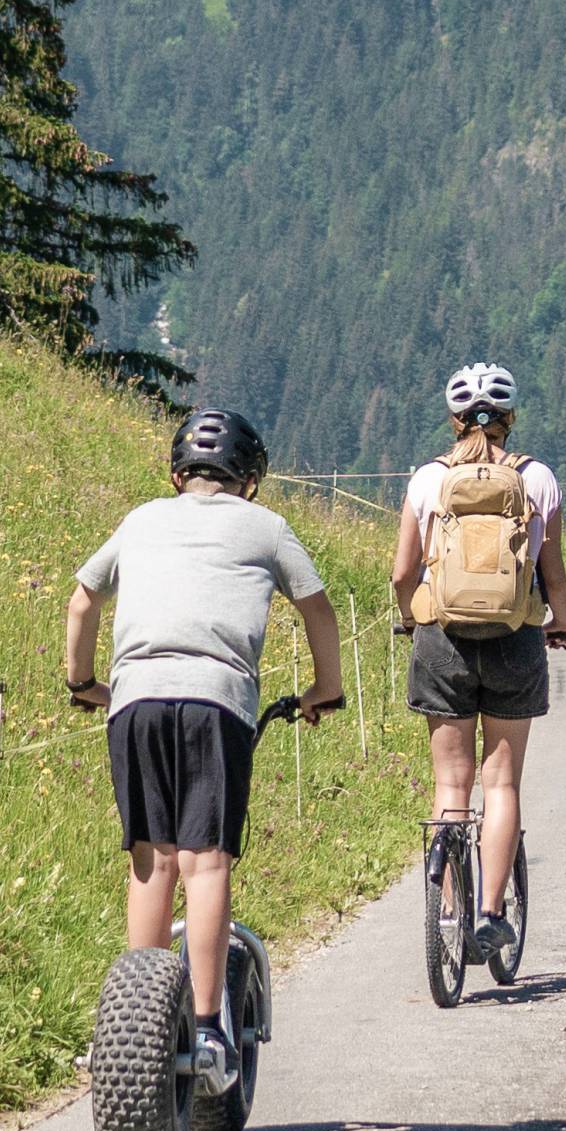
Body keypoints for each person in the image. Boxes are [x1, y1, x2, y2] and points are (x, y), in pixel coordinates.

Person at [63, 405, 342, 1085]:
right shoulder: (267, 528)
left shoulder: (139, 519)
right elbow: (318, 608)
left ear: (175, 472)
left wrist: (83, 682)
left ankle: (139, 1030)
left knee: (151, 858)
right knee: (205, 862)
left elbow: (81, 601)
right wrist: (323, 689)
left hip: (134, 699)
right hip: (216, 697)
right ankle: (211, 1025)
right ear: (250, 478)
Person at [391, 358, 566, 968]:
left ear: (452, 419)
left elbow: (402, 573)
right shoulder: (538, 479)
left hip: (441, 638)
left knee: (452, 785)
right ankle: (492, 914)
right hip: (514, 640)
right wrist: (561, 622)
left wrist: (407, 615)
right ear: (510, 417)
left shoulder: (426, 480)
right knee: (501, 783)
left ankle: (448, 909)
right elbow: (552, 573)